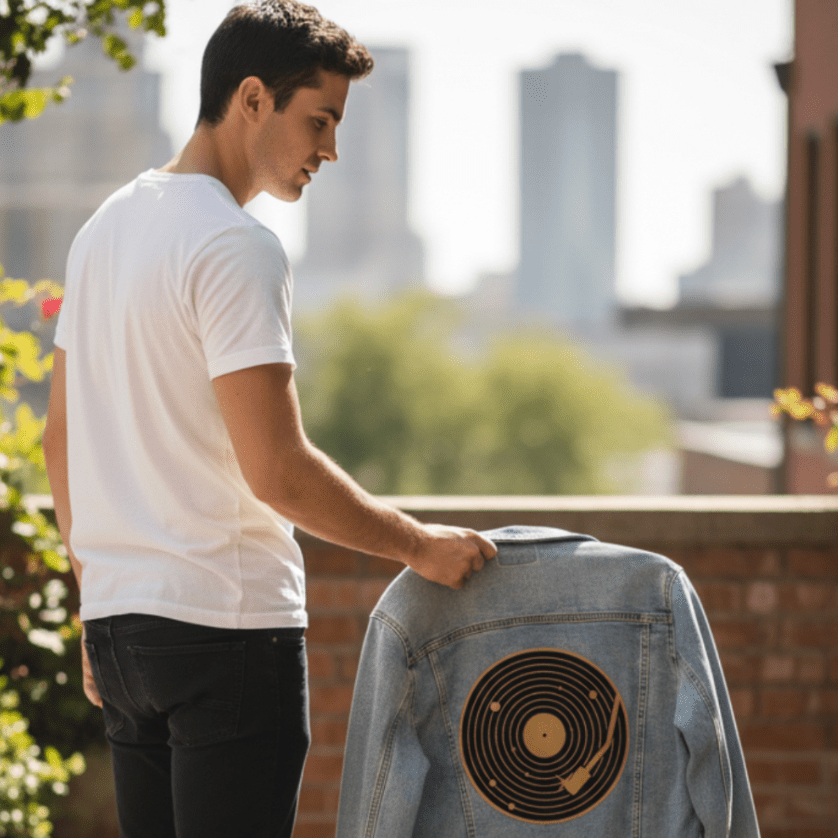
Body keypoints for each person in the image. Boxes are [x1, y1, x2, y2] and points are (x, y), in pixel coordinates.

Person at [42, 1, 497, 836]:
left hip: (121, 631)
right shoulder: (234, 244)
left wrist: (93, 599)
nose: (329, 150)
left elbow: (59, 438)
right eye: (318, 120)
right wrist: (416, 543)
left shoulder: (104, 229)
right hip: (224, 629)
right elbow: (278, 470)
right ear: (252, 98)